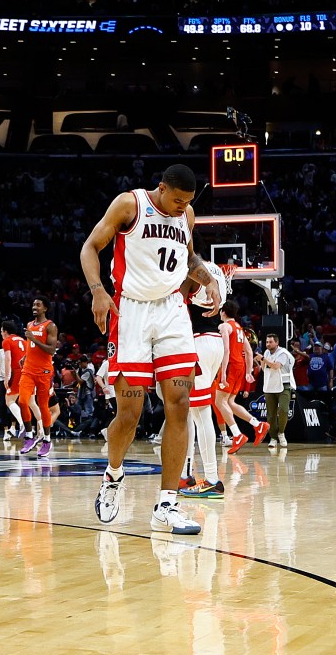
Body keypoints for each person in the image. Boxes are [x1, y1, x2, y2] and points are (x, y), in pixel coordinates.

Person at [81, 164, 221, 535]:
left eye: (187, 203)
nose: (182, 208)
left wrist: (209, 280)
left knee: (180, 402)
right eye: (177, 201)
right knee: (130, 413)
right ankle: (113, 475)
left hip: (172, 309)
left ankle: (167, 504)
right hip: (130, 310)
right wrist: (98, 290)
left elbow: (188, 257)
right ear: (161, 189)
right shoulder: (130, 205)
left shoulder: (186, 214)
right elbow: (90, 247)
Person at [177, 261, 229, 499]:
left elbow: (176, 298)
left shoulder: (195, 272)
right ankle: (188, 473)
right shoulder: (217, 272)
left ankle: (212, 479)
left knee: (200, 413)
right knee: (192, 411)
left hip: (200, 341)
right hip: (214, 340)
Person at [216, 301, 269, 454]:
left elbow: (226, 350)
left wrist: (224, 372)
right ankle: (258, 424)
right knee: (230, 402)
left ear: (224, 312)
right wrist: (248, 372)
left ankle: (237, 435)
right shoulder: (239, 328)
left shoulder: (224, 326)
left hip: (231, 365)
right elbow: (250, 352)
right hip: (240, 366)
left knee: (219, 401)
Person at [18, 298, 58, 457]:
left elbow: (51, 350)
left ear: (45, 308)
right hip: (28, 369)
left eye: (38, 305)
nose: (34, 307)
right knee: (22, 401)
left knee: (43, 406)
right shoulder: (29, 325)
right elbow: (31, 346)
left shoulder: (50, 326)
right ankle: (29, 435)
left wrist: (34, 339)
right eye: (33, 304)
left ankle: (47, 439)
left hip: (44, 372)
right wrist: (25, 355)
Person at [255, 332, 294, 448]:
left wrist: (262, 358)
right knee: (271, 415)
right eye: (267, 342)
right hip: (270, 386)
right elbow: (263, 369)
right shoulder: (266, 352)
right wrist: (262, 361)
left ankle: (281, 433)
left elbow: (276, 366)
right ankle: (273, 438)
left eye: (270, 342)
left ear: (276, 343)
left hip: (283, 385)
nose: (268, 344)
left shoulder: (283, 353)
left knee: (283, 410)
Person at [0, 321, 27, 440]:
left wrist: (7, 377)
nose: (1, 333)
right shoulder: (23, 341)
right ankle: (40, 431)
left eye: (1, 331)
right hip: (27, 372)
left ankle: (23, 424)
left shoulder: (7, 341)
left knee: (9, 400)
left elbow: (8, 359)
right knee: (30, 402)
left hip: (17, 372)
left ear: (5, 331)